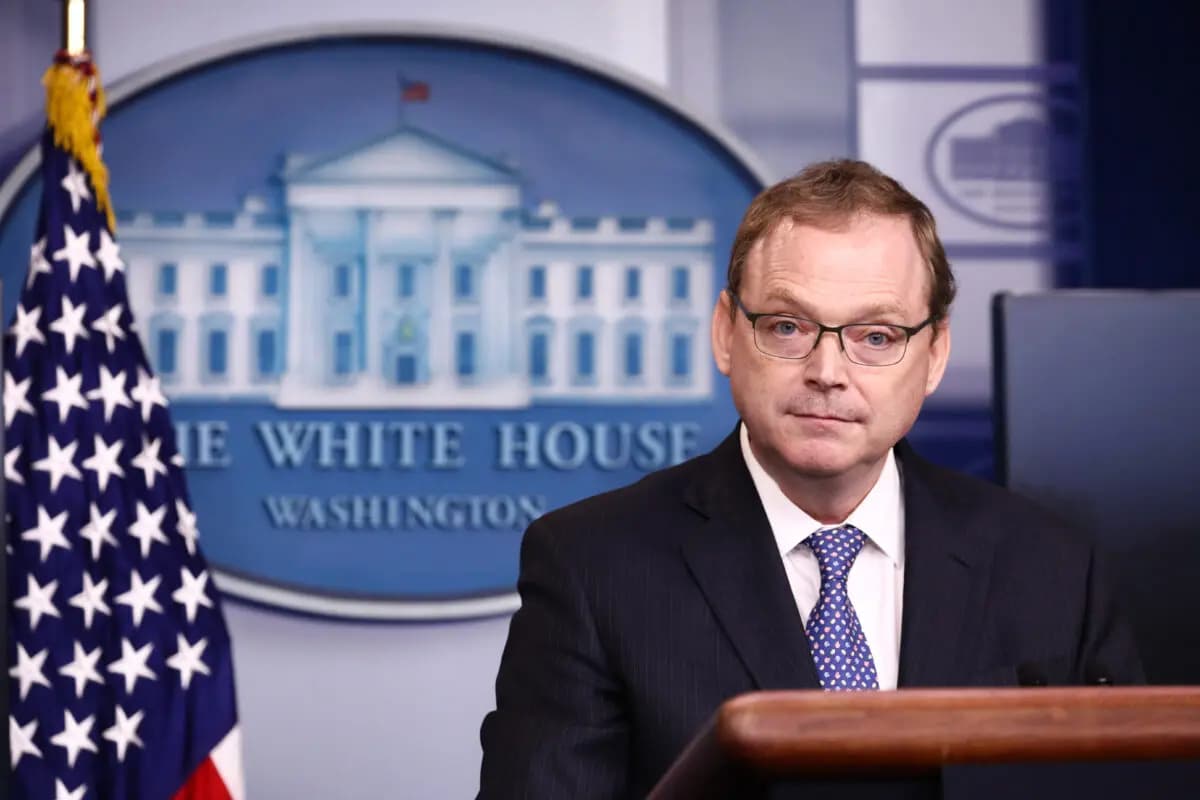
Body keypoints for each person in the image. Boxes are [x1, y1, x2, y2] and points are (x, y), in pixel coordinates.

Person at [477, 159, 1142, 799]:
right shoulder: (593, 566)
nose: (828, 370)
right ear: (725, 334)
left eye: (875, 336)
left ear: (935, 353)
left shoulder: (1053, 569)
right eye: (789, 327)